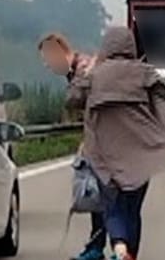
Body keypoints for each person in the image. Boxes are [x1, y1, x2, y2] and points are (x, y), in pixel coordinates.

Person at [66, 26, 165, 260]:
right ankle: (128, 252)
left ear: (106, 48)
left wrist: (87, 72)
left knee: (111, 205)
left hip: (104, 155)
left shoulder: (95, 76)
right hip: (140, 154)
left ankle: (119, 247)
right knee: (132, 209)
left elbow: (72, 99)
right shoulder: (145, 73)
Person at [38, 33, 106, 260]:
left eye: (48, 59)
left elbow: (81, 102)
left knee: (100, 195)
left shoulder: (84, 70)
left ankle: (103, 248)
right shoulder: (77, 71)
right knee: (96, 195)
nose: (47, 65)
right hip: (98, 140)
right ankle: (98, 246)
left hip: (107, 142)